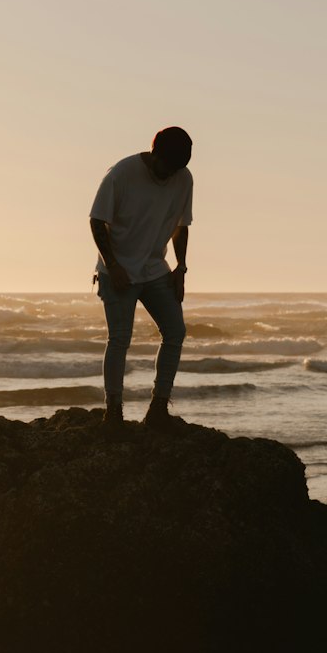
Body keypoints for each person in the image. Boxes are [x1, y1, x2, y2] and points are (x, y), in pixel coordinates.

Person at [89, 126, 193, 427]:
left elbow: (181, 225)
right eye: (166, 167)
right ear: (154, 153)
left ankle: (158, 408)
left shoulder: (183, 178)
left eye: (176, 169)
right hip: (117, 271)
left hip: (154, 269)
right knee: (120, 339)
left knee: (175, 332)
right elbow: (97, 221)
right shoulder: (122, 174)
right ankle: (114, 413)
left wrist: (181, 268)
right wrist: (113, 265)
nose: (169, 175)